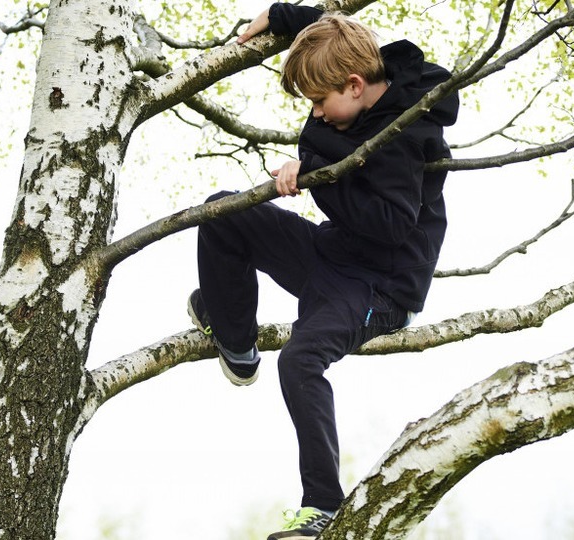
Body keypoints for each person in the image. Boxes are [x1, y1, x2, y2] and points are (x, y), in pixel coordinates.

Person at [187, 3, 459, 538]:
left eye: (318, 101)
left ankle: (324, 507)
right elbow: (332, 34)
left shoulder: (409, 133)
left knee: (299, 361)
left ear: (355, 86)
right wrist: (280, 15)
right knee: (225, 212)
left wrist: (315, 174)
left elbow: (390, 226)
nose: (315, 114)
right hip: (330, 255)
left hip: (377, 289)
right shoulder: (362, 72)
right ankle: (236, 341)